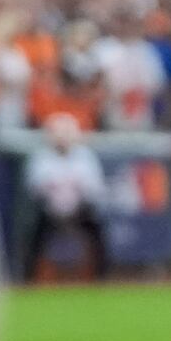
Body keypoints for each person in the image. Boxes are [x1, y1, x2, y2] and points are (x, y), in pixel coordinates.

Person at [22, 112, 109, 281]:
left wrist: (73, 194)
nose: (62, 140)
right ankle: (28, 279)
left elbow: (94, 188)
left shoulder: (85, 156)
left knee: (98, 232)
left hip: (79, 209)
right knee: (33, 236)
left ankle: (101, 278)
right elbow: (34, 188)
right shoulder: (41, 157)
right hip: (50, 211)